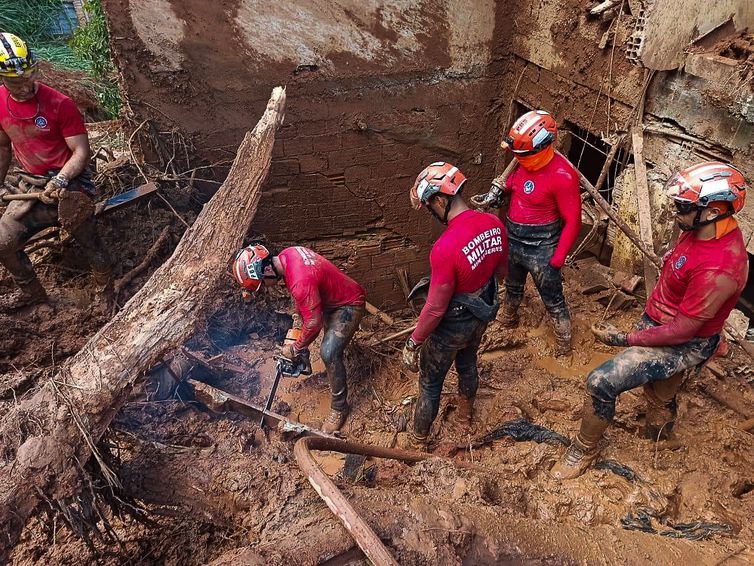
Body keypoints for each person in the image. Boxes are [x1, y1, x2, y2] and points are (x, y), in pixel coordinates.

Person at [551, 161, 749, 480]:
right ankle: (657, 437)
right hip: (665, 321)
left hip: (681, 341)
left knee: (601, 382)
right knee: (660, 393)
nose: (675, 211)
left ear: (712, 211)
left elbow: (684, 329)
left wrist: (624, 339)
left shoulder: (720, 269)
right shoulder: (703, 228)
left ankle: (583, 449)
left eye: (682, 206)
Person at [399, 162, 508, 451]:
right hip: (481, 313)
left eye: (428, 206)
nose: (430, 213)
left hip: (452, 325)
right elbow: (501, 272)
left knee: (430, 383)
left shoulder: (445, 248)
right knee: (468, 362)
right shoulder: (494, 224)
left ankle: (417, 442)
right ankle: (465, 417)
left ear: (438, 200)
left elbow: (435, 308)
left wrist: (414, 342)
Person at [0, 33, 111, 309]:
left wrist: (61, 179)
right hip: (29, 186)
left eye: (28, 76)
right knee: (2, 244)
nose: (25, 85)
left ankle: (105, 286)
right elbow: (3, 148)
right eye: (16, 81)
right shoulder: (1, 103)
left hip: (69, 182)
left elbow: (81, 153)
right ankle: (33, 293)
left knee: (86, 235)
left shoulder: (60, 104)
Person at [232, 244, 366, 433]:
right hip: (329, 298)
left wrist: (296, 348)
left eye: (264, 282)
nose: (267, 288)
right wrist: (296, 326)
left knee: (328, 352)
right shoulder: (288, 254)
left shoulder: (300, 282)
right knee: (315, 340)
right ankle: (317, 363)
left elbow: (314, 323)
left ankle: (339, 408)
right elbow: (303, 301)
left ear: (267, 269)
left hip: (348, 304)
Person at [490, 110, 581, 356]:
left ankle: (563, 342)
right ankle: (508, 316)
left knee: (552, 298)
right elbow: (516, 183)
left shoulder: (562, 176)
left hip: (541, 246)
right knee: (512, 285)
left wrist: (558, 258)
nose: (518, 159)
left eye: (523, 154)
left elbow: (573, 221)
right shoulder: (524, 163)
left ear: (542, 147)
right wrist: (502, 190)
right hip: (514, 239)